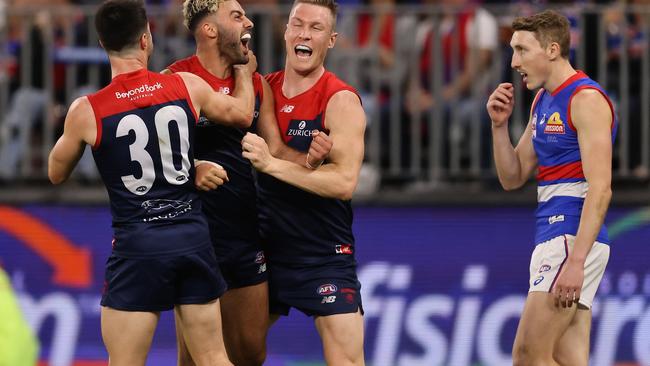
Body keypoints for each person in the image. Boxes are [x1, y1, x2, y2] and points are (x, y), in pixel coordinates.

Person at [47, 0, 256, 365]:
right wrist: (244, 72)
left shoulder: (87, 110)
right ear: (146, 39)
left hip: (138, 247)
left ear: (102, 45)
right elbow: (239, 114)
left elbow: (55, 172)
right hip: (191, 238)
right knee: (212, 357)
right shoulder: (185, 86)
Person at [162, 1, 332, 365]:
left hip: (242, 234)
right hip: (193, 235)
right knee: (193, 359)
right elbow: (155, 156)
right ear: (210, 30)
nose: (248, 22)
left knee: (251, 355)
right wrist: (191, 168)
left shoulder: (256, 83)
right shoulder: (174, 79)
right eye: (237, 16)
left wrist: (313, 158)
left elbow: (275, 151)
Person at [486, 10, 616, 366]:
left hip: (570, 235)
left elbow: (601, 188)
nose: (514, 62)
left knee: (528, 355)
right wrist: (499, 127)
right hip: (554, 233)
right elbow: (513, 177)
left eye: (522, 50)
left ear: (553, 49)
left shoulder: (585, 100)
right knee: (567, 358)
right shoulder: (543, 101)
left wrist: (575, 261)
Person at [242, 0, 366, 364]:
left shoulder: (340, 100)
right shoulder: (262, 89)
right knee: (231, 354)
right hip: (264, 251)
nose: (304, 34)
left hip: (323, 254)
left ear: (331, 40)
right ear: (285, 32)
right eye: (298, 24)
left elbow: (344, 182)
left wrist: (270, 164)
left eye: (316, 28)